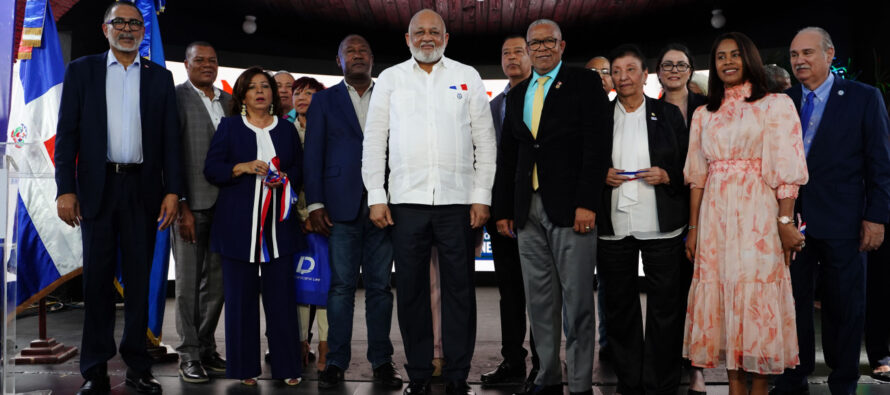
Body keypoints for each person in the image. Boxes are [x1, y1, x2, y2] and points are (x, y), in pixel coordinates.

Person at [362, 9, 497, 395]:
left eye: (433, 31)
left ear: (446, 37)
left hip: (458, 202)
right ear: (407, 39)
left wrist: (481, 196)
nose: (426, 37)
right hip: (406, 202)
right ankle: (418, 375)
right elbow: (375, 142)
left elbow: (485, 143)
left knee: (460, 292)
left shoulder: (466, 76)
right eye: (418, 32)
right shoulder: (390, 79)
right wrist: (376, 197)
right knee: (412, 291)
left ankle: (457, 375)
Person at [55, 2, 181, 394]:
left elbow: (171, 142)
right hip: (97, 190)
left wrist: (173, 190)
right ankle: (94, 372)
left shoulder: (160, 78)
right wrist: (65, 189)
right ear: (105, 28)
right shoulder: (82, 71)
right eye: (119, 22)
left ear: (143, 30)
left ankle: (138, 368)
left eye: (134, 23)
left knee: (140, 282)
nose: (127, 29)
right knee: (96, 284)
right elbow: (67, 137)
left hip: (143, 190)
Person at [683, 32, 808, 395]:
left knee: (757, 305)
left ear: (749, 58)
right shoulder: (703, 113)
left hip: (759, 219)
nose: (727, 62)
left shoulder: (776, 105)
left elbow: (787, 169)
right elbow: (697, 177)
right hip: (715, 221)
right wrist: (693, 229)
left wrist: (785, 222)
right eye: (720, 56)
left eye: (735, 55)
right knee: (723, 302)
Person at [493, 19, 611, 395]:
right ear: (527, 49)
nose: (541, 48)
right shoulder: (516, 94)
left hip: (572, 210)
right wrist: (504, 210)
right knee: (540, 302)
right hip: (527, 212)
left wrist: (587, 203)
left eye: (548, 42)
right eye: (534, 43)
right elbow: (508, 157)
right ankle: (547, 377)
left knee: (577, 302)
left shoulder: (584, 83)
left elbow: (596, 147)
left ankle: (579, 384)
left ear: (562, 45)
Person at [773, 27, 890, 395]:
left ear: (829, 54)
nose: (800, 61)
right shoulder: (782, 101)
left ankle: (843, 382)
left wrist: (876, 217)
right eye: (794, 55)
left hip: (845, 221)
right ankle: (794, 377)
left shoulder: (863, 98)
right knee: (792, 305)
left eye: (807, 53)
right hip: (791, 223)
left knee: (845, 305)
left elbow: (880, 163)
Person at [304, 34, 403, 390]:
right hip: (338, 209)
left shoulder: (392, 96)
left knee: (380, 287)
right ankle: (336, 362)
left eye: (363, 50)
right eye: (350, 51)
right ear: (338, 59)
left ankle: (382, 361)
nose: (358, 55)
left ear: (373, 59)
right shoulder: (323, 101)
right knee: (341, 288)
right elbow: (312, 155)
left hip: (385, 206)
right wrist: (314, 204)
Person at [203, 66, 304, 386]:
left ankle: (288, 366)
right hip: (237, 230)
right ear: (243, 95)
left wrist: (286, 179)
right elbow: (212, 169)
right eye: (253, 87)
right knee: (240, 301)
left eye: (266, 86)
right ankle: (244, 368)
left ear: (273, 94)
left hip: (280, 229)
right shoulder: (230, 127)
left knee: (283, 300)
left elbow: (300, 169)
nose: (260, 91)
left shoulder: (287, 130)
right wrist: (242, 167)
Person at [598, 44, 688, 395]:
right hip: (613, 226)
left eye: (630, 70)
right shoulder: (599, 116)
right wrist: (599, 176)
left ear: (645, 75)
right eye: (616, 71)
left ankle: (661, 382)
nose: (623, 78)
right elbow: (584, 163)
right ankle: (629, 380)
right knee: (619, 307)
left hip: (661, 224)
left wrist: (667, 176)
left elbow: (689, 166)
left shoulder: (668, 114)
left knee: (665, 306)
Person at [481, 34, 540, 389]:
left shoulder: (546, 96)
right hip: (502, 212)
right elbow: (492, 165)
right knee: (510, 293)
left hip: (539, 210)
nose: (513, 57)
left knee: (542, 293)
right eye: (506, 53)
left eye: (520, 51)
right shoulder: (494, 105)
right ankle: (512, 361)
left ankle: (544, 362)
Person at [173, 41, 231, 384]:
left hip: (227, 208)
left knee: (219, 285)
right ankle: (188, 353)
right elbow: (170, 152)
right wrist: (180, 203)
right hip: (190, 206)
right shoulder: (175, 99)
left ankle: (206, 346)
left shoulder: (228, 101)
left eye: (213, 60)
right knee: (187, 285)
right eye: (200, 60)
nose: (207, 65)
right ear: (186, 63)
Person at [653, 42, 707, 395]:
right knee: (671, 297)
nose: (674, 70)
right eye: (667, 64)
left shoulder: (707, 108)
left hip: (709, 206)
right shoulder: (647, 110)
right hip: (665, 209)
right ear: (657, 71)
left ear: (690, 70)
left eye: (681, 64)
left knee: (701, 292)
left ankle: (697, 369)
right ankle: (667, 369)